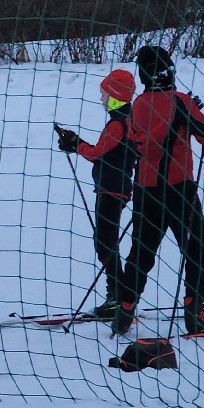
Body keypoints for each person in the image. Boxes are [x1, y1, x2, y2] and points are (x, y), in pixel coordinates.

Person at [112, 46, 204, 336]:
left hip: (146, 191)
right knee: (196, 248)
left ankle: (125, 309)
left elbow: (140, 141)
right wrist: (187, 116)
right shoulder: (180, 101)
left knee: (141, 252)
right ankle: (194, 308)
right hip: (179, 190)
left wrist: (181, 116)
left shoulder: (138, 105)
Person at [55, 68, 139, 319]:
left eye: (104, 94)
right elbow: (105, 153)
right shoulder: (126, 120)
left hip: (113, 189)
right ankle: (119, 295)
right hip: (113, 187)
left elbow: (97, 153)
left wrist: (76, 144)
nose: (101, 98)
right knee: (105, 242)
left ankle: (119, 298)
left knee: (105, 243)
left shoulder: (118, 123)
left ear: (114, 95)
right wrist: (77, 143)